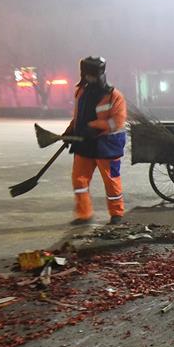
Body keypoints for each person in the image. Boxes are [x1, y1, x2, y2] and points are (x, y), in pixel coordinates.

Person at [67, 56, 128, 225]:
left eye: (93, 75)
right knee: (79, 180)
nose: (91, 79)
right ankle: (84, 213)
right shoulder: (81, 92)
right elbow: (79, 116)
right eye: (88, 75)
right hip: (84, 143)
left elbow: (117, 122)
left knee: (111, 180)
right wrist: (71, 130)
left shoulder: (114, 96)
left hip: (106, 145)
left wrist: (93, 126)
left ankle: (117, 213)